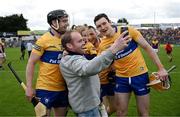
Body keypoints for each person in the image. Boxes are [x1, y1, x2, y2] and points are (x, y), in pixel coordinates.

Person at [94, 13, 168, 116]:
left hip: (140, 75)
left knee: (143, 114)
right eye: (99, 26)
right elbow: (102, 63)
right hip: (121, 78)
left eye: (104, 23)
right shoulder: (103, 45)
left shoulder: (127, 31)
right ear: (97, 29)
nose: (102, 27)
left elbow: (147, 47)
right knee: (120, 113)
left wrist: (161, 68)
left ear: (109, 22)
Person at [60, 30, 130, 117]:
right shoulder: (71, 60)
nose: (84, 42)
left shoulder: (73, 56)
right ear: (69, 46)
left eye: (82, 40)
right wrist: (113, 49)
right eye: (79, 41)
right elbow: (88, 68)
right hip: (87, 109)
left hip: (90, 105)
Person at [26, 9, 69, 116]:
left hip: (63, 89)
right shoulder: (43, 40)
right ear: (54, 23)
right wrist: (29, 87)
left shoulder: (67, 39)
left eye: (66, 21)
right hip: (45, 88)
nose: (67, 24)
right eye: (64, 21)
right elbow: (31, 63)